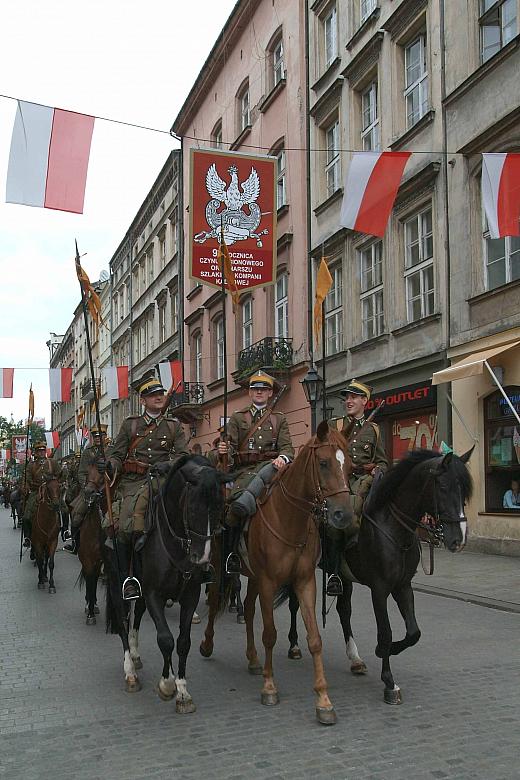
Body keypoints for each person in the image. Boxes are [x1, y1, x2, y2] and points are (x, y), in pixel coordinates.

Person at [104, 377, 191, 599]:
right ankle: (128, 579)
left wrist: (168, 464)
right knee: (123, 523)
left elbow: (182, 455)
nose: (159, 397)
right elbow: (117, 454)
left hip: (163, 479)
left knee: (193, 509)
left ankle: (197, 565)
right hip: (134, 482)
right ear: (143, 400)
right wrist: (111, 464)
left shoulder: (173, 426)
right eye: (153, 395)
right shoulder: (131, 424)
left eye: (160, 393)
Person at [218, 370, 294, 574]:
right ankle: (232, 553)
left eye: (264, 389)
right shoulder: (237, 417)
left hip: (272, 470)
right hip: (244, 471)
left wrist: (282, 458)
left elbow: (288, 448)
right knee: (232, 509)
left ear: (270, 393)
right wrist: (225, 450)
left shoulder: (279, 419)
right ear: (249, 393)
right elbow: (230, 445)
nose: (259, 392)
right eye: (255, 389)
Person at [325, 379, 389, 596]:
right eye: (347, 398)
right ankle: (334, 572)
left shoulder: (374, 430)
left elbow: (382, 461)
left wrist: (377, 469)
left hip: (364, 481)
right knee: (336, 520)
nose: (349, 401)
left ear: (364, 401)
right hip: (341, 481)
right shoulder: (336, 426)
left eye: (354, 397)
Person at [63, 424, 108, 554]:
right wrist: (86, 486)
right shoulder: (88, 452)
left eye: (101, 435)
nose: (98, 438)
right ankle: (75, 545)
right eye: (95, 436)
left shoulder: (112, 450)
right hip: (91, 489)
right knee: (76, 517)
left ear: (105, 436)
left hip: (109, 489)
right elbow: (82, 472)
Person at [21, 440, 62, 549]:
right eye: (39, 451)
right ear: (35, 453)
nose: (41, 453)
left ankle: (65, 530)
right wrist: (26, 486)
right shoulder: (31, 465)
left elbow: (61, 474)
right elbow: (26, 479)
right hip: (36, 491)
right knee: (26, 516)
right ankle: (28, 537)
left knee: (65, 509)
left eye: (43, 451)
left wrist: (58, 482)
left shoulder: (52, 462)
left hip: (51, 490)